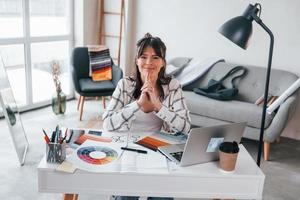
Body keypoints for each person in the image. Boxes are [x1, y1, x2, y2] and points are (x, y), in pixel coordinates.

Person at [102, 33, 191, 200]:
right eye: (143, 57)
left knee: (162, 196)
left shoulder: (173, 86)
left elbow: (185, 128)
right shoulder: (125, 84)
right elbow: (107, 123)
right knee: (125, 195)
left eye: (155, 57)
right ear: (136, 60)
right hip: (127, 148)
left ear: (163, 62)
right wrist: (137, 105)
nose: (149, 63)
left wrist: (158, 105)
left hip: (160, 149)